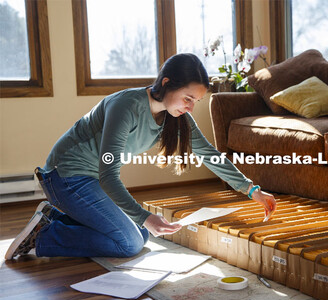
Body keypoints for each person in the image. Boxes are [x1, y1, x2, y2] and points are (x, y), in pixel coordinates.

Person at [5, 53, 277, 260]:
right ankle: (45, 236)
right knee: (131, 243)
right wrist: (145, 215)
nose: (191, 107)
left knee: (144, 232)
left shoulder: (176, 118)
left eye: (195, 101)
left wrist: (252, 190)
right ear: (167, 83)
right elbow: (108, 175)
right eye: (187, 98)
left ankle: (57, 218)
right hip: (65, 176)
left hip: (90, 182)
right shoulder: (126, 106)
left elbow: (209, 155)